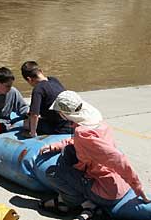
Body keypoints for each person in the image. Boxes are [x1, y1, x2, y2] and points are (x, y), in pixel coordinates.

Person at [38, 90, 151, 220]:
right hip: (117, 185)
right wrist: (56, 146)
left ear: (64, 114)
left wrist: (137, 187)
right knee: (69, 151)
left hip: (106, 192)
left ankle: (77, 205)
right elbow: (83, 143)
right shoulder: (96, 123)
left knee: (53, 173)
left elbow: (118, 158)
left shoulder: (82, 133)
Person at [21, 61, 72, 137]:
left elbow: (34, 115)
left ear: (29, 79)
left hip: (59, 128)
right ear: (41, 71)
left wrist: (33, 133)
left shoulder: (38, 89)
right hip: (69, 122)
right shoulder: (54, 80)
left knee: (26, 123)